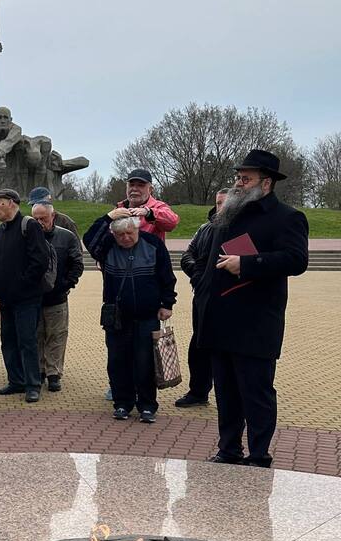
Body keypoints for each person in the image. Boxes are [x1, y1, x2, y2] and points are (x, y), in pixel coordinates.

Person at [194, 150, 308, 467]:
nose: (238, 184)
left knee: (255, 393)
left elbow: (297, 260)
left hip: (255, 322)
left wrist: (246, 264)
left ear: (266, 183)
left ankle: (259, 454)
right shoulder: (227, 214)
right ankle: (229, 449)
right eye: (238, 177)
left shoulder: (287, 217)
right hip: (219, 320)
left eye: (246, 178)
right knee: (226, 393)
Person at [84, 207, 176, 422]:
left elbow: (167, 276)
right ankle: (122, 403)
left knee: (145, 362)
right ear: (113, 234)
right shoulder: (106, 248)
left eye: (130, 234)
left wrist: (167, 303)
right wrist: (107, 217)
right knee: (118, 361)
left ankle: (147, 405)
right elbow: (89, 239)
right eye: (120, 235)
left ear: (137, 229)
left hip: (147, 315)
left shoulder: (153, 244)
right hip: (117, 317)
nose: (126, 238)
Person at [0, 188, 49, 402]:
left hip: (26, 299)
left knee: (27, 341)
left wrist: (22, 284)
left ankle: (32, 384)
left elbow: (40, 261)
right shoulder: (1, 230)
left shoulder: (29, 225)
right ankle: (15, 381)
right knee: (8, 341)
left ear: (12, 203)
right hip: (6, 299)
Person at [175, 190, 226, 407]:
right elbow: (188, 254)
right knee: (199, 343)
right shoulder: (204, 229)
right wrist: (197, 274)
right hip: (202, 295)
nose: (221, 207)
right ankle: (198, 391)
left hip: (227, 297)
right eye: (218, 203)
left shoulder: (239, 230)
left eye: (225, 203)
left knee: (224, 349)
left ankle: (227, 395)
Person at [31, 202, 84, 391]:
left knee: (57, 335)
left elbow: (77, 263)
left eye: (43, 218)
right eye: (35, 219)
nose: (39, 222)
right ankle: (38, 370)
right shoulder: (27, 236)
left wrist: (67, 284)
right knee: (36, 335)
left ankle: (53, 373)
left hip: (58, 296)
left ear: (52, 216)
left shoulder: (67, 236)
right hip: (34, 297)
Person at [114, 168, 179, 241]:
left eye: (140, 185)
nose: (135, 189)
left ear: (150, 189)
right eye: (131, 185)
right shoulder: (119, 208)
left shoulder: (158, 206)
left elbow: (172, 223)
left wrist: (148, 213)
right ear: (126, 188)